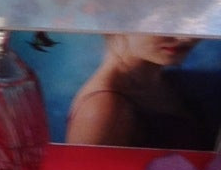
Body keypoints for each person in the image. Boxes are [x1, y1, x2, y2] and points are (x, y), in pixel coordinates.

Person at [65, 34, 212, 148]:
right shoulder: (103, 107)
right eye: (166, 22)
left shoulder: (173, 82)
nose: (186, 37)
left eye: (192, 20)